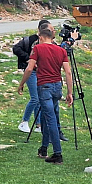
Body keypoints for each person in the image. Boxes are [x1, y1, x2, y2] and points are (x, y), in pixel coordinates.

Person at [18, 23, 73, 164]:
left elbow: (30, 69)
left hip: (44, 87)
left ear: (42, 37)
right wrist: (70, 93)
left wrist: (22, 83)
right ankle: (43, 148)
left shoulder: (38, 48)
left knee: (50, 119)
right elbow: (68, 72)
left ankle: (57, 153)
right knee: (46, 117)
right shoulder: (61, 50)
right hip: (57, 87)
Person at [12, 19, 50, 133]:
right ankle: (24, 122)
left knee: (39, 98)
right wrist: (28, 59)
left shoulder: (48, 42)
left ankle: (38, 125)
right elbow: (16, 48)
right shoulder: (31, 40)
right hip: (31, 71)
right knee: (35, 98)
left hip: (40, 72)